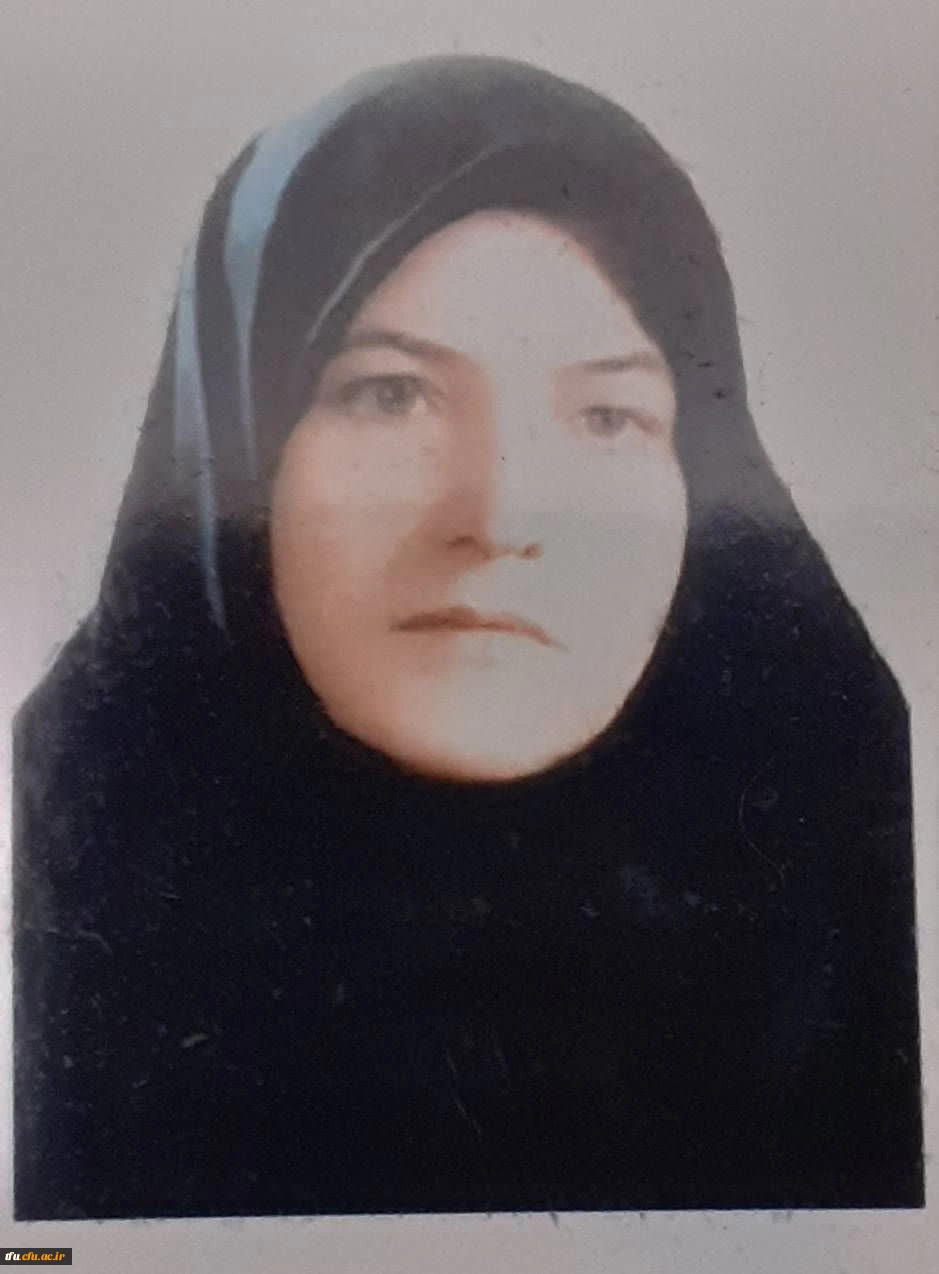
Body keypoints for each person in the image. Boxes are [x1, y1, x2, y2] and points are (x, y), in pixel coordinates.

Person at [13, 54, 922, 1219]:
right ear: (230, 447)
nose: (496, 521)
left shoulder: (848, 890)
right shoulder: (66, 898)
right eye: (390, 394)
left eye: (607, 416)